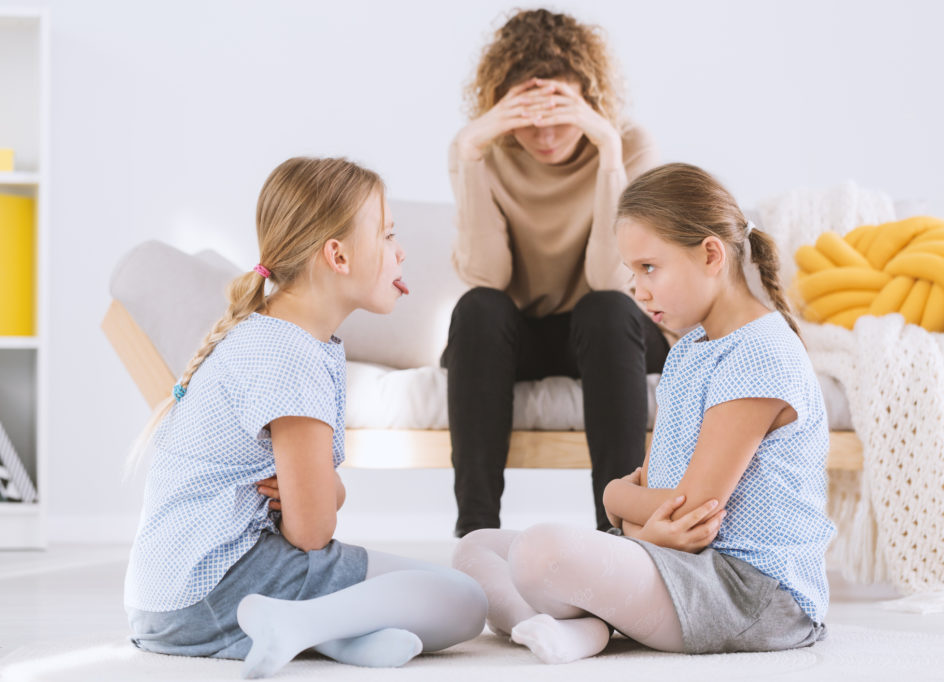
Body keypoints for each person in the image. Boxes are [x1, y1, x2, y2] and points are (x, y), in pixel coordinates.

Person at [452, 163, 834, 663]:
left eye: (649, 268)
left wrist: (615, 496)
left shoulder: (760, 355)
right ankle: (583, 629)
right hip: (680, 561)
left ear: (711, 255)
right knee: (474, 549)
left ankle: (590, 625)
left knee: (539, 552)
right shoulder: (689, 350)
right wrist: (642, 528)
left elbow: (691, 505)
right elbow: (660, 493)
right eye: (633, 272)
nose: (638, 288)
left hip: (749, 591)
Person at [123, 157, 487, 679]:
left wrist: (322, 490)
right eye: (387, 236)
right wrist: (325, 491)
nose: (401, 251)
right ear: (336, 256)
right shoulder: (290, 356)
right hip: (219, 586)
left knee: (407, 606)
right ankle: (299, 623)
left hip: (165, 606)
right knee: (463, 601)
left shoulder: (270, 336)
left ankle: (323, 633)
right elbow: (312, 532)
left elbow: (313, 504)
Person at [444, 8, 667, 536]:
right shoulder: (479, 152)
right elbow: (488, 275)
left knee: (606, 310)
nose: (544, 131)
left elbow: (612, 280)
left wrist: (609, 155)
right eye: (528, 114)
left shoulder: (628, 146)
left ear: (590, 100)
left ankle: (617, 536)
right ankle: (477, 535)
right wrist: (471, 153)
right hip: (521, 336)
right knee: (477, 309)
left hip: (615, 331)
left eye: (560, 110)